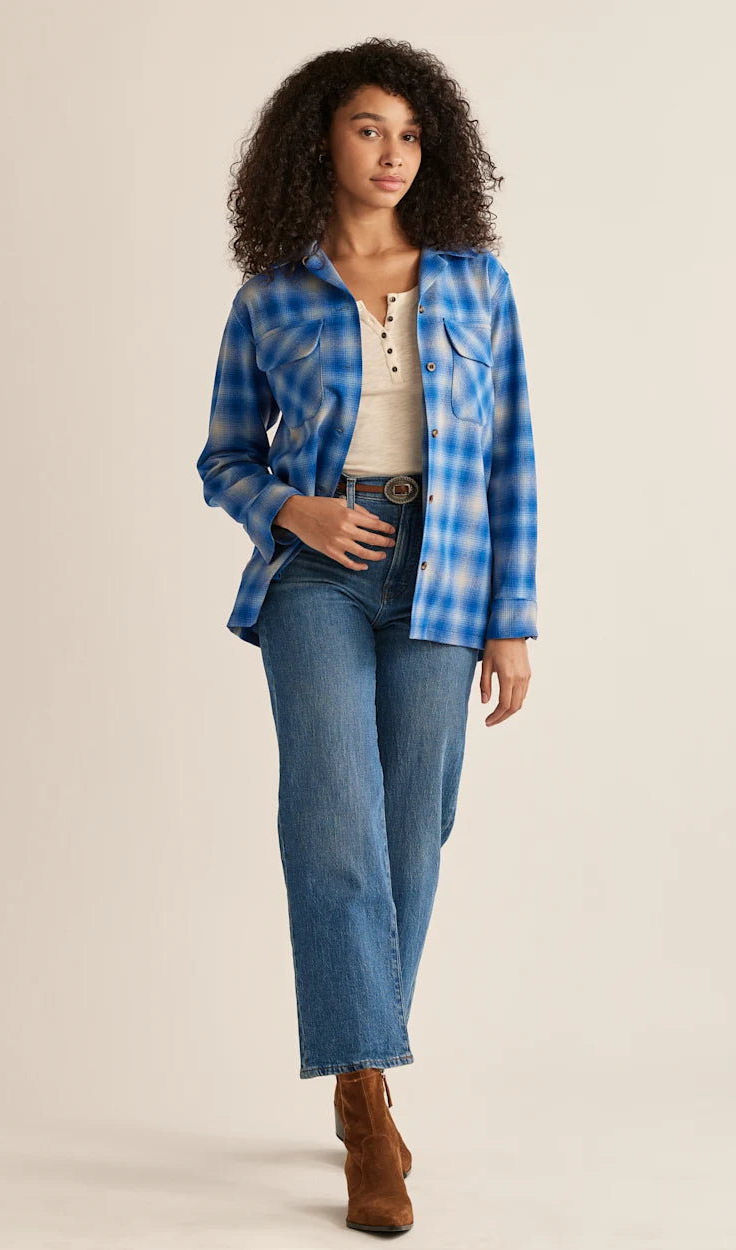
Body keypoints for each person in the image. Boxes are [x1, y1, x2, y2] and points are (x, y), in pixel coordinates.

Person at [196, 37, 538, 1235]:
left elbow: (509, 459)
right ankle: (365, 1099)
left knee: (415, 825)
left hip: (447, 575)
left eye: (408, 132)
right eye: (366, 129)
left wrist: (513, 618)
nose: (391, 153)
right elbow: (224, 456)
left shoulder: (476, 283)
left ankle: (358, 1058)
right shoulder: (271, 293)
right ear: (319, 142)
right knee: (331, 813)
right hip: (318, 577)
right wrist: (293, 507)